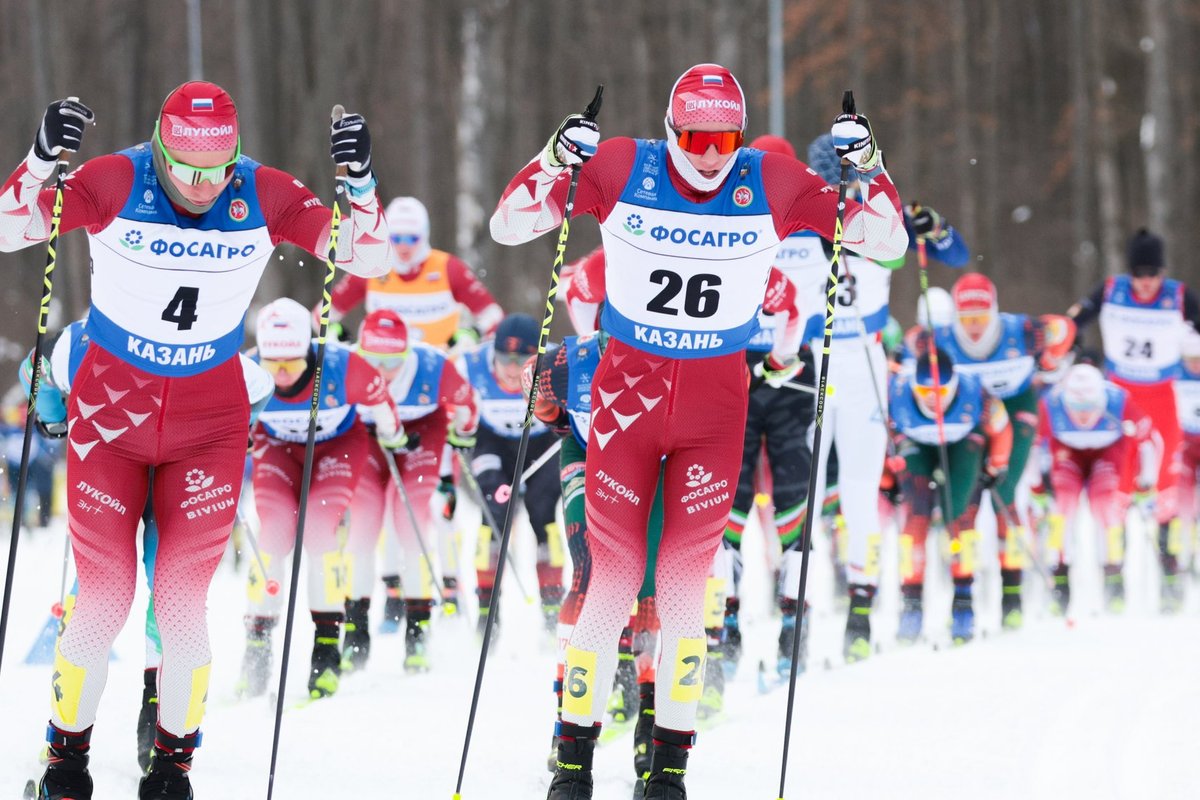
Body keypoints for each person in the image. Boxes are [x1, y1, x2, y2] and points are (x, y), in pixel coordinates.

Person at [491, 62, 907, 797]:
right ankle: (572, 767)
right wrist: (554, 157)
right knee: (611, 584)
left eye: (725, 138)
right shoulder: (623, 164)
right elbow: (510, 224)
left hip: (714, 417)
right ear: (669, 130)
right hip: (626, 408)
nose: (711, 154)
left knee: (688, 593)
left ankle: (668, 773)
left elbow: (885, 243)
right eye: (695, 138)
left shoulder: (772, 180)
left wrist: (869, 165)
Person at [0, 82, 388, 798]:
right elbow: (9, 228)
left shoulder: (263, 192)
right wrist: (40, 158)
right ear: (159, 148)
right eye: (182, 169)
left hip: (209, 428)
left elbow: (365, 257)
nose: (200, 186)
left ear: (236, 155)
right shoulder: (115, 179)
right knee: (104, 598)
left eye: (216, 170)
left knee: (180, 606)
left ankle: (171, 772)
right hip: (110, 422)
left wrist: (360, 182)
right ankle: (66, 766)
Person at [19, 317, 273, 770]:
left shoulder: (87, 334)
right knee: (117, 590)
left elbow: (32, 370)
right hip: (133, 467)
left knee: (146, 589)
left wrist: (54, 418)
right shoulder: (184, 336)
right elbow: (260, 386)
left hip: (151, 471)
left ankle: (138, 712)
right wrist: (243, 425)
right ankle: (123, 721)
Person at [782, 132, 971, 663]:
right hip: (811, 367)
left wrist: (935, 225)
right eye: (829, 187)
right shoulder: (796, 221)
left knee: (861, 492)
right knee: (805, 495)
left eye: (847, 185)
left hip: (863, 366)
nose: (840, 197)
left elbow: (955, 252)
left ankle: (861, 612)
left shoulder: (881, 217)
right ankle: (793, 615)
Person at [324, 195, 502, 629]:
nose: (403, 248)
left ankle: (449, 585)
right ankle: (393, 591)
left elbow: (493, 316)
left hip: (432, 393)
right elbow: (325, 312)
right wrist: (340, 336)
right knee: (383, 503)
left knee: (435, 499)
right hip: (381, 395)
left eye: (411, 239)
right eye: (396, 238)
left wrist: (466, 338)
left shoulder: (447, 267)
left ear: (424, 237)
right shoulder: (373, 266)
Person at [240, 298, 400, 702]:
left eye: (292, 363)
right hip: (277, 450)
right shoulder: (246, 369)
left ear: (308, 351)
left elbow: (382, 402)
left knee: (318, 530)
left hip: (337, 449)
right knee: (273, 534)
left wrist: (393, 434)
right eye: (272, 363)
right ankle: (257, 646)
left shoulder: (342, 365)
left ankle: (326, 649)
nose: (280, 374)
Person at [340, 309, 477, 672]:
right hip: (367, 437)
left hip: (421, 435)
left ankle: (417, 632)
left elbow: (468, 403)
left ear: (407, 353)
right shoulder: (346, 363)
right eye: (374, 360)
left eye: (392, 361)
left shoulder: (432, 366)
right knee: (364, 525)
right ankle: (355, 633)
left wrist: (463, 433)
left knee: (409, 520)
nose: (382, 370)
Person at [935, 272, 1075, 629]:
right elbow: (906, 361)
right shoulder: (941, 338)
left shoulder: (1022, 331)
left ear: (995, 311)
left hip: (1015, 409)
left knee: (1005, 492)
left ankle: (1011, 595)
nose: (975, 327)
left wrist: (1051, 358)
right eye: (967, 318)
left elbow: (1065, 328)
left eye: (982, 317)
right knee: (963, 502)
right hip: (969, 417)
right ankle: (963, 597)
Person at [1068, 229, 1200, 603]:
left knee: (1166, 485)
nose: (1145, 282)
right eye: (1139, 273)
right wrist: (1068, 341)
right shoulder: (1111, 290)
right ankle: (1114, 574)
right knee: (1119, 485)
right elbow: (1075, 320)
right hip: (1120, 397)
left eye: (1152, 273)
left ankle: (1170, 573)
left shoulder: (1178, 296)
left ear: (1162, 272)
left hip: (1162, 397)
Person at [890, 348, 1012, 644]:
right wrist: (886, 477)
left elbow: (1002, 429)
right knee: (916, 517)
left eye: (942, 390)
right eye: (924, 391)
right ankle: (911, 604)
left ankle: (963, 601)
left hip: (962, 443)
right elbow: (879, 433)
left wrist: (995, 465)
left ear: (954, 385)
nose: (933, 398)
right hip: (916, 444)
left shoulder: (976, 392)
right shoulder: (896, 392)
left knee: (959, 515)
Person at [459, 312, 563, 637]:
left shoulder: (557, 362)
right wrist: (456, 427)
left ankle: (552, 605)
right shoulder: (470, 364)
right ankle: (487, 611)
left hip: (543, 443)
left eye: (523, 361)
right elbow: (445, 399)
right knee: (493, 510)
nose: (512, 369)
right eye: (504, 359)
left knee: (542, 510)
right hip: (493, 443)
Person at [1038, 363, 1158, 613]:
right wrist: (1036, 485)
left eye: (1090, 406)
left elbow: (1149, 440)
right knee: (1063, 503)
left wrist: (1146, 482)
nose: (1083, 414)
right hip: (1068, 453)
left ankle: (1114, 574)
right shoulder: (1051, 403)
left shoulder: (1118, 400)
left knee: (1106, 503)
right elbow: (1034, 445)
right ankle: (1059, 576)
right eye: (1076, 406)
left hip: (1107, 452)